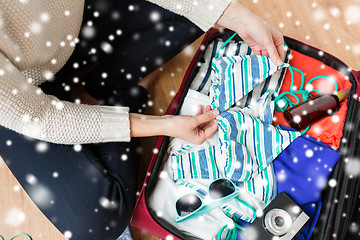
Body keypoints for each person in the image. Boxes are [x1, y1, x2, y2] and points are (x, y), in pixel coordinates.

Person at [0, 0, 285, 239]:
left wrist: (239, 16)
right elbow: (42, 117)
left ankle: (108, 85)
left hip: (66, 29)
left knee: (199, 9)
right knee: (99, 220)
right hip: (19, 103)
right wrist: (162, 123)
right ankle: (124, 94)